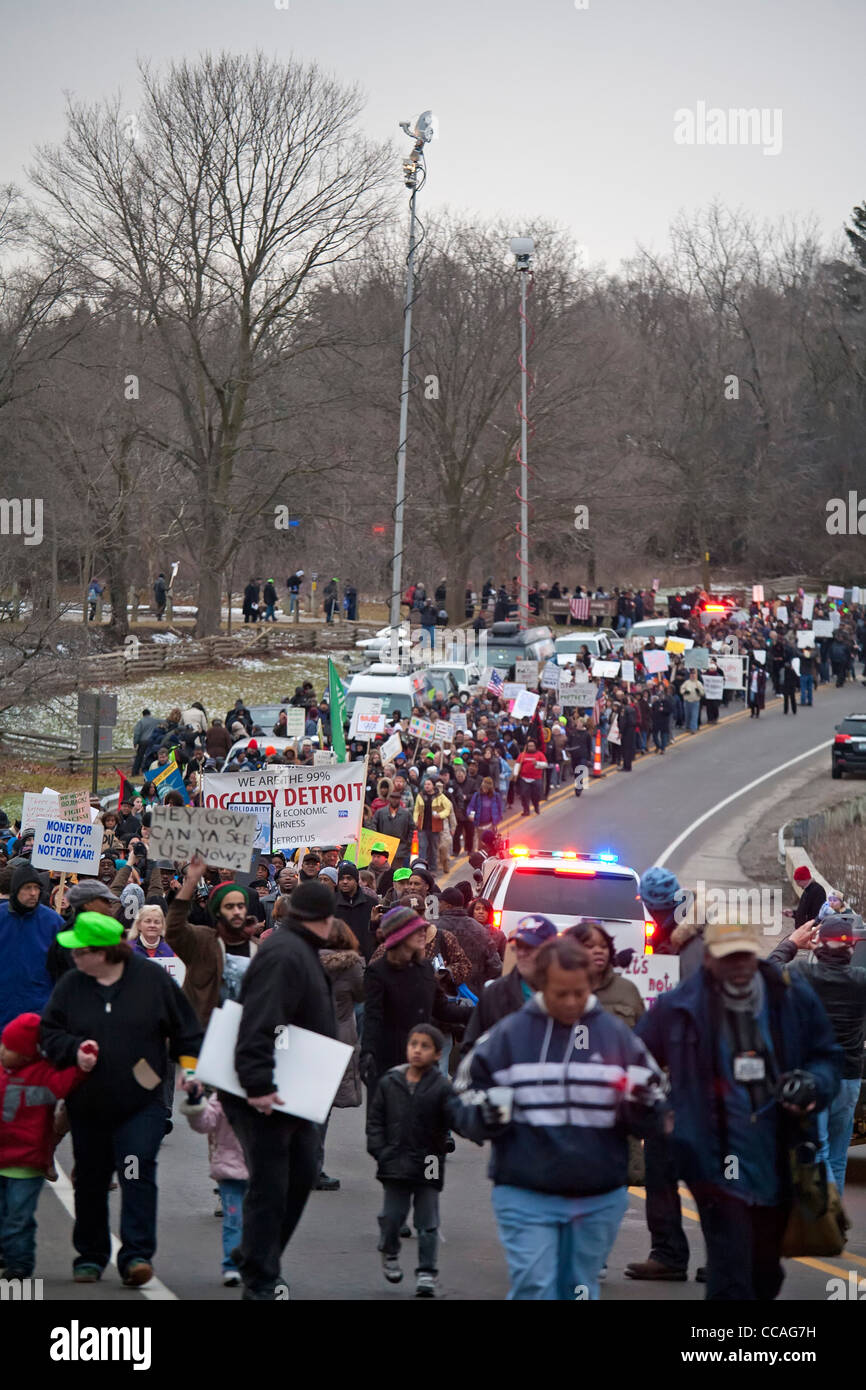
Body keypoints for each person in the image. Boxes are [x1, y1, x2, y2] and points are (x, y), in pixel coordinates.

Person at [636, 921, 843, 1301]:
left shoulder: (791, 996)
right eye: (727, 957)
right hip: (710, 1161)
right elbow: (634, 1061)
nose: (738, 966)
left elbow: (827, 1057)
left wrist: (814, 1084)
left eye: (744, 956)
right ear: (709, 960)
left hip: (779, 1155)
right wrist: (660, 1112)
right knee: (730, 1272)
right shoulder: (679, 1006)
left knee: (764, 1273)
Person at [457, 935, 665, 1300]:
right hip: (525, 1190)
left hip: (599, 1194)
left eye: (579, 993)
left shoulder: (618, 1038)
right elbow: (461, 1093)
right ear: (540, 986)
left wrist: (643, 1108)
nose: (571, 1003)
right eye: (560, 994)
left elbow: (657, 1098)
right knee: (535, 1285)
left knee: (579, 1287)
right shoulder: (506, 1037)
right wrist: (483, 1113)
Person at [40, 912, 203, 1286]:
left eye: (79, 951)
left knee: (135, 1170)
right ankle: (91, 1255)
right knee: (92, 1180)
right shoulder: (71, 985)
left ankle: (136, 1256)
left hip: (141, 1103)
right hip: (89, 1104)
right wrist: (73, 1050)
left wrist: (190, 1072)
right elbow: (50, 1033)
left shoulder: (152, 981)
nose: (73, 957)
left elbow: (186, 1031)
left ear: (102, 952)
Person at [220, 879, 338, 1301]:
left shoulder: (297, 948)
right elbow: (261, 1019)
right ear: (325, 919)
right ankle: (261, 1279)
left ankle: (254, 1254)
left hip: (294, 1090)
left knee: (302, 1173)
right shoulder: (286, 953)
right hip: (267, 1092)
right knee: (272, 1186)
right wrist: (258, 1084)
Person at [768, 913, 866, 1194]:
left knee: (818, 1152)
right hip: (849, 1078)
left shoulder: (802, 975)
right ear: (851, 948)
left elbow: (766, 970)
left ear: (819, 946)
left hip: (814, 1080)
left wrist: (792, 943)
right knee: (836, 1158)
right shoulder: (860, 981)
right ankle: (832, 1230)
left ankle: (825, 1220)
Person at [367, 1023, 464, 1297]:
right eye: (414, 1044)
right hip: (394, 1161)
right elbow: (376, 1121)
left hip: (430, 1162)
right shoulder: (390, 1082)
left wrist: (479, 1122)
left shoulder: (442, 1088)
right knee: (392, 1217)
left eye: (425, 1046)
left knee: (427, 1222)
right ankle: (389, 1251)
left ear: (437, 1054)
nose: (417, 1051)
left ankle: (426, 1273)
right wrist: (379, 1150)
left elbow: (457, 1119)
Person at [0, 1012, 96, 1279]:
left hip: (27, 1162)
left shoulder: (44, 1074)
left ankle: (19, 1264)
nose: (2, 1050)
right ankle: (6, 1251)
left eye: (9, 1048)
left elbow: (68, 1081)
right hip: (1, 1159)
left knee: (18, 1216)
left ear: (26, 1054)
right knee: (3, 1214)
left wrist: (83, 1063)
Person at [165, 857, 259, 1027]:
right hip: (202, 1033)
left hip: (244, 1034)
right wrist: (191, 882)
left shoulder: (258, 949)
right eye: (229, 907)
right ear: (217, 912)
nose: (237, 912)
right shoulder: (202, 941)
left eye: (241, 906)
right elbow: (173, 929)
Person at [180, 1084, 249, 1286]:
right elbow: (204, 1124)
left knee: (259, 1221)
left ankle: (256, 1264)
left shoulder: (268, 1095)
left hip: (260, 1171)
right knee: (233, 1220)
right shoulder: (222, 1098)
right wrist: (195, 1101)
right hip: (230, 1172)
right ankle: (232, 1266)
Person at [317, 918, 365, 1191]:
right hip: (339, 1035)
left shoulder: (306, 959)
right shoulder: (353, 966)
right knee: (323, 1109)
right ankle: (314, 1166)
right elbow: (360, 997)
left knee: (307, 1104)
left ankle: (301, 1163)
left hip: (309, 1034)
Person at [0, 863, 65, 1030]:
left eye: (37, 888)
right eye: (28, 887)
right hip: (4, 1008)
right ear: (15, 889)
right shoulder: (1, 918)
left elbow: (64, 968)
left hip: (39, 1011)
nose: (33, 893)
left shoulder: (53, 922)